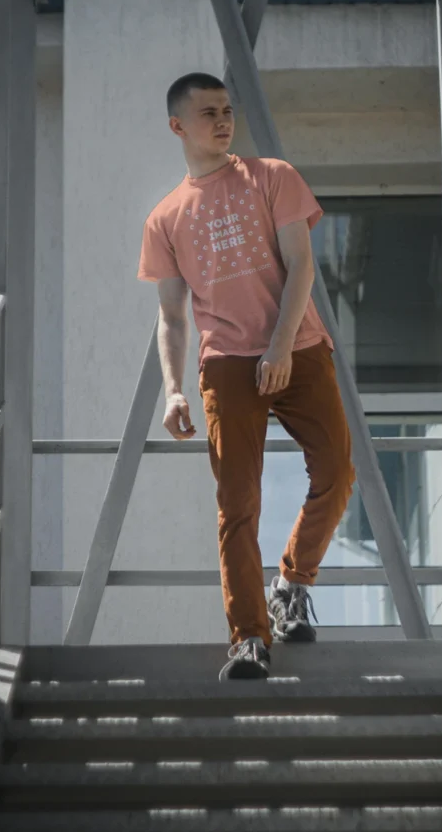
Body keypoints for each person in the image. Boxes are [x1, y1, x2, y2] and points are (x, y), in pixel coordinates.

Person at [138, 72, 355, 681]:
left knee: (337, 470)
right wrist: (174, 388)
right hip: (227, 364)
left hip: (300, 346)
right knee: (237, 502)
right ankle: (249, 639)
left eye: (227, 109)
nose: (223, 119)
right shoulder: (166, 219)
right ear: (178, 126)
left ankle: (292, 581)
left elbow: (301, 265)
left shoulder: (272, 177)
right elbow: (172, 316)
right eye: (208, 112)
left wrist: (281, 347)